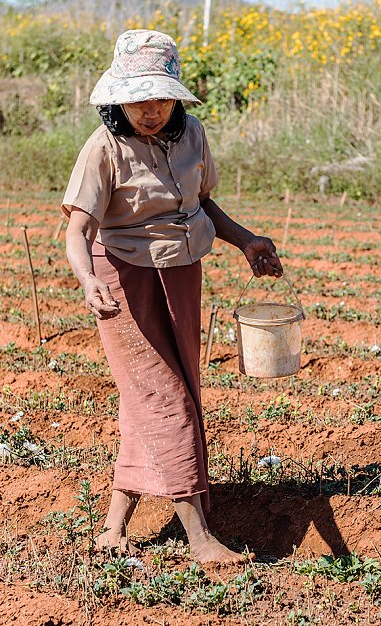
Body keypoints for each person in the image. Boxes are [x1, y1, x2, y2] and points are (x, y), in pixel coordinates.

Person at [62, 29, 283, 564]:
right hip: (122, 279)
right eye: (139, 100)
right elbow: (76, 231)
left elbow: (203, 205)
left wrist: (247, 241)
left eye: (160, 97)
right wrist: (87, 280)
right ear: (119, 98)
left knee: (166, 392)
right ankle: (199, 536)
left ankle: (113, 527)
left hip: (182, 273)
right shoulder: (104, 148)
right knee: (166, 398)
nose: (151, 109)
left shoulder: (193, 136)